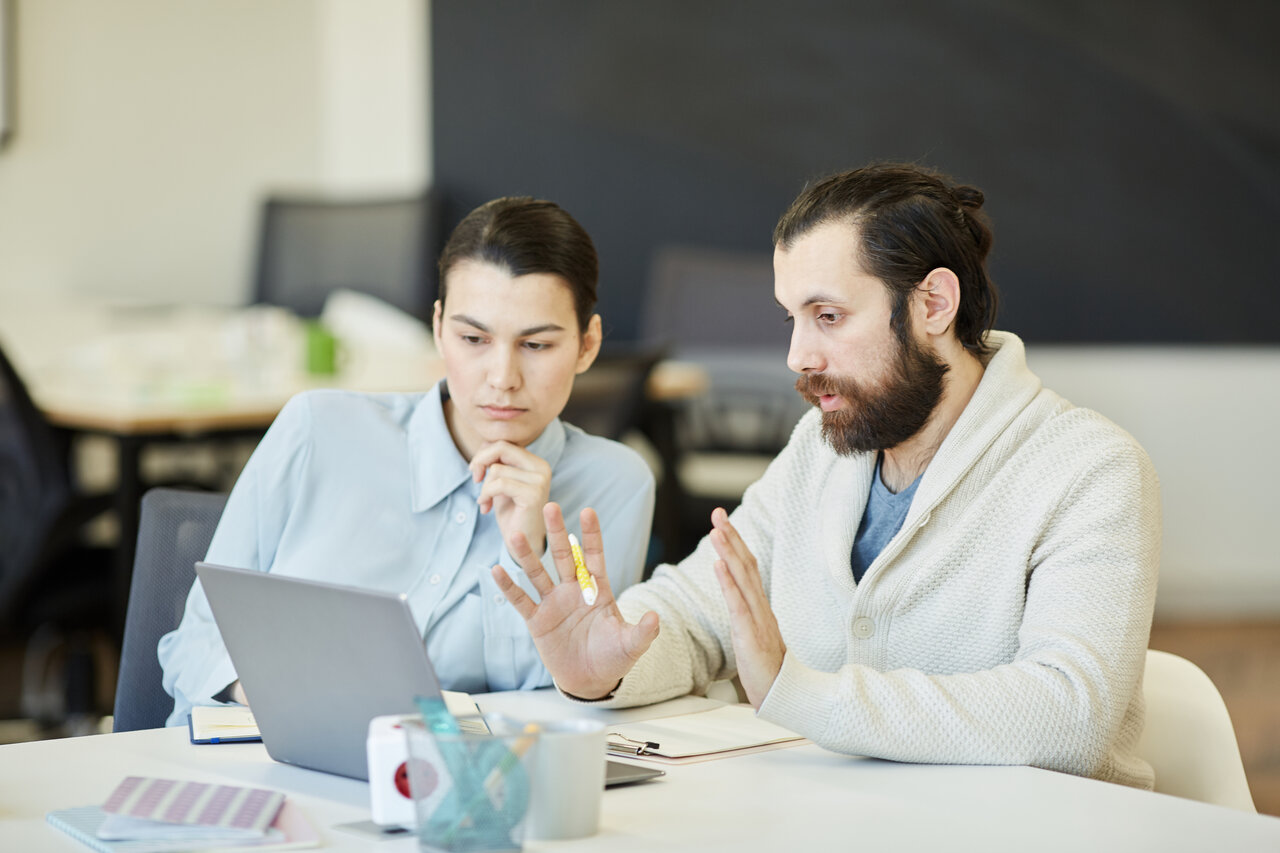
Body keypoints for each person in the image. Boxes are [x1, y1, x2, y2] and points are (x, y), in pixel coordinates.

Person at [493, 164, 1162, 789]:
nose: (797, 356)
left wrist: (800, 689)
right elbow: (702, 611)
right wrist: (607, 664)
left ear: (933, 304)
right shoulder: (821, 447)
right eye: (793, 318)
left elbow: (1072, 712)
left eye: (829, 316)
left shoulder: (1089, 469)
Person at [159, 197, 655, 726]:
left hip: (460, 785)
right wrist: (276, 695)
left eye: (535, 345)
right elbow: (192, 648)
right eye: (473, 339)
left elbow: (558, 700)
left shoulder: (612, 487)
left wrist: (523, 551)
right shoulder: (318, 429)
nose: (502, 376)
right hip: (266, 760)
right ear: (439, 327)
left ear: (587, 344)